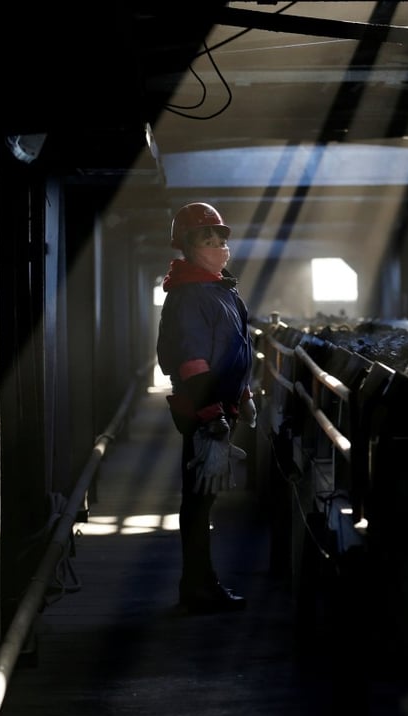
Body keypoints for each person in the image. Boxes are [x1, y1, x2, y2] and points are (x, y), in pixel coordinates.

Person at [156, 201, 258, 614]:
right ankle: (198, 587)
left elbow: (234, 350)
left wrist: (244, 395)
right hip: (203, 411)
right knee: (198, 502)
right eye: (209, 241)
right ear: (188, 247)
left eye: (221, 241)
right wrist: (211, 415)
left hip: (219, 408)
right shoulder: (192, 295)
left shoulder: (218, 289)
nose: (220, 248)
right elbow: (192, 361)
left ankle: (200, 583)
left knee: (203, 500)